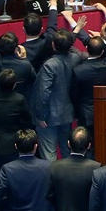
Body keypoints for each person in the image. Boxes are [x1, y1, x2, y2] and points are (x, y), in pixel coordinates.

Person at [34, 26, 80, 161]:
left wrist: (41, 115)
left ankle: (52, 181)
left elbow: (43, 92)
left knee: (49, 154)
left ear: (53, 45)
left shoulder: (50, 65)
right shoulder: (76, 58)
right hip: (67, 113)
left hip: (49, 116)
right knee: (67, 151)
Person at [0, 69, 33, 179]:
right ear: (14, 84)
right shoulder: (19, 99)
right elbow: (27, 118)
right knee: (11, 175)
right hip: (11, 142)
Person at [0, 129, 51, 211]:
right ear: (35, 146)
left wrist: (3, 208)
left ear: (16, 146)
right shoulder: (48, 166)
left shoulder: (8, 169)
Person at [70, 36, 106, 134]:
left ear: (87, 48)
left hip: (85, 113)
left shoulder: (78, 71)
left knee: (85, 141)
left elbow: (73, 95)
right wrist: (103, 39)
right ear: (102, 52)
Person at [47, 127, 99, 211]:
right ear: (89, 145)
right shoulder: (96, 168)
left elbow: (49, 196)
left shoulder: (55, 166)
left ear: (68, 143)